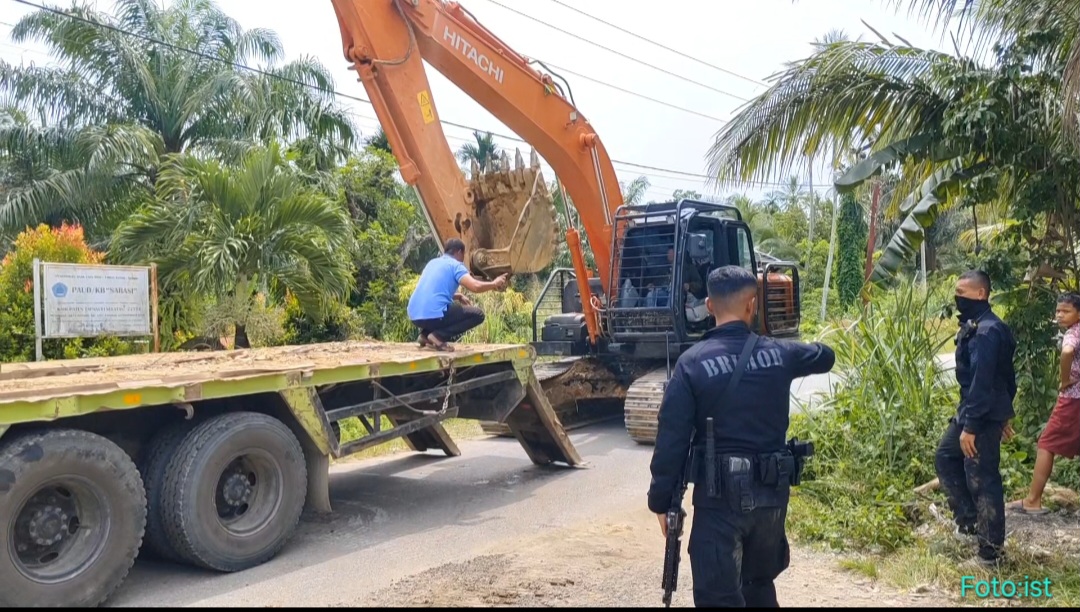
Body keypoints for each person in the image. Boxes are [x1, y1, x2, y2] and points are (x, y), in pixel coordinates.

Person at [646, 265, 836, 607]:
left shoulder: (691, 364)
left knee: (718, 596)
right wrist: (784, 346)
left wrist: (661, 500)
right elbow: (825, 355)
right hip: (771, 502)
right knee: (759, 588)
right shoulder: (781, 353)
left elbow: (671, 438)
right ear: (752, 306)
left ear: (709, 306)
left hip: (719, 503)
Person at [934, 270, 1017, 566]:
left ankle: (990, 554)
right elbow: (1006, 378)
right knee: (946, 457)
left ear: (981, 294)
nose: (957, 298)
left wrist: (973, 426)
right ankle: (970, 525)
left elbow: (985, 382)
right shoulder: (980, 326)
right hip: (975, 409)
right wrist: (1005, 414)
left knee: (983, 480)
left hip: (979, 415)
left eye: (962, 292)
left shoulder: (986, 332)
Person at [1008, 292, 1080, 515]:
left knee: (1046, 443)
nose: (1059, 315)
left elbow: (1067, 351)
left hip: (1072, 398)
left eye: (1065, 311)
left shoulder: (1072, 334)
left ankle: (1033, 500)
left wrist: (1064, 379)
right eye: (1058, 310)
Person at [406, 238, 508, 351]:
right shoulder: (456, 265)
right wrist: (494, 283)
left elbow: (434, 292)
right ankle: (438, 336)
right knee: (478, 315)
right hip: (434, 315)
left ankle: (424, 335)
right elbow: (475, 286)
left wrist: (458, 296)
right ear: (459, 252)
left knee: (441, 310)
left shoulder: (432, 263)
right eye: (463, 255)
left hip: (414, 316)